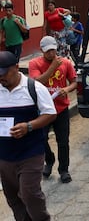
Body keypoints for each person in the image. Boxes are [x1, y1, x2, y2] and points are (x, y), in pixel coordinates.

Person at [0, 51, 56, 221]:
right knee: (13, 197)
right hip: (4, 156)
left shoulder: (34, 88)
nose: (0, 78)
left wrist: (29, 126)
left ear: (16, 67)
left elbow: (50, 113)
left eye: (3, 73)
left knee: (29, 193)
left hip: (31, 153)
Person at [28, 36, 77, 183]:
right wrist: (53, 67)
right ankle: (49, 160)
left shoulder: (66, 62)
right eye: (48, 51)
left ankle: (64, 170)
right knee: (41, 139)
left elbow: (74, 82)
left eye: (53, 50)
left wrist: (66, 89)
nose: (51, 53)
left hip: (61, 108)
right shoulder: (34, 63)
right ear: (42, 50)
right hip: (42, 110)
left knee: (63, 141)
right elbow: (37, 82)